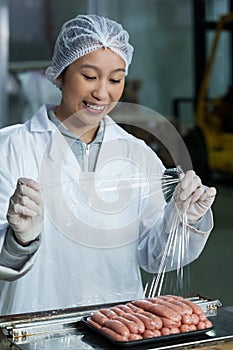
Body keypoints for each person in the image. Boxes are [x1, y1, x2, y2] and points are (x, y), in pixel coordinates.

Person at [0, 14, 216, 316]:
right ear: (60, 74)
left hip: (117, 324)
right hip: (32, 326)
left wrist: (181, 219)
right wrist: (19, 240)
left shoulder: (136, 155)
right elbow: (3, 266)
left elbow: (153, 256)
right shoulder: (10, 148)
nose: (102, 93)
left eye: (115, 79)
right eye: (89, 77)